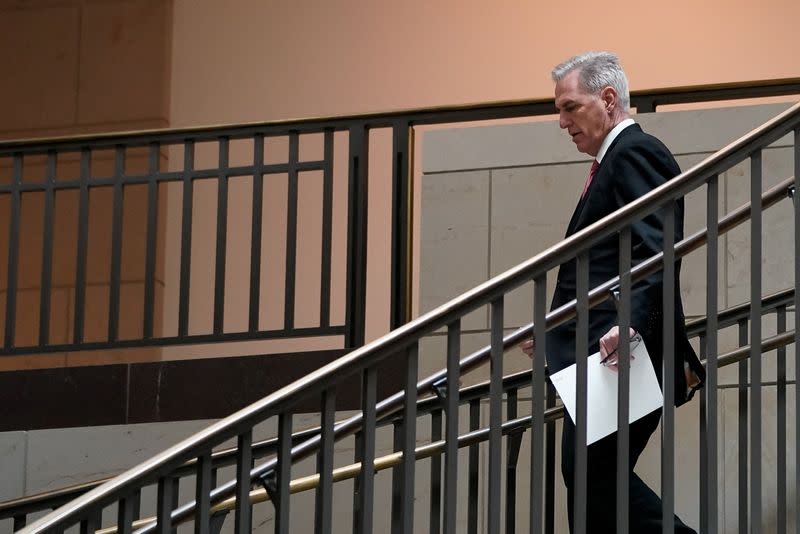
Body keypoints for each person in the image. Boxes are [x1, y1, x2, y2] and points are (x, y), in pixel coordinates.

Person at [520, 51, 704, 533]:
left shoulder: (635, 153)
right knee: (588, 485)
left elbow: (655, 246)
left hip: (625, 352)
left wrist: (629, 323)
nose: (561, 122)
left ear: (607, 99)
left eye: (570, 107)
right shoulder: (611, 162)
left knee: (593, 482)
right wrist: (556, 327)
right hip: (606, 352)